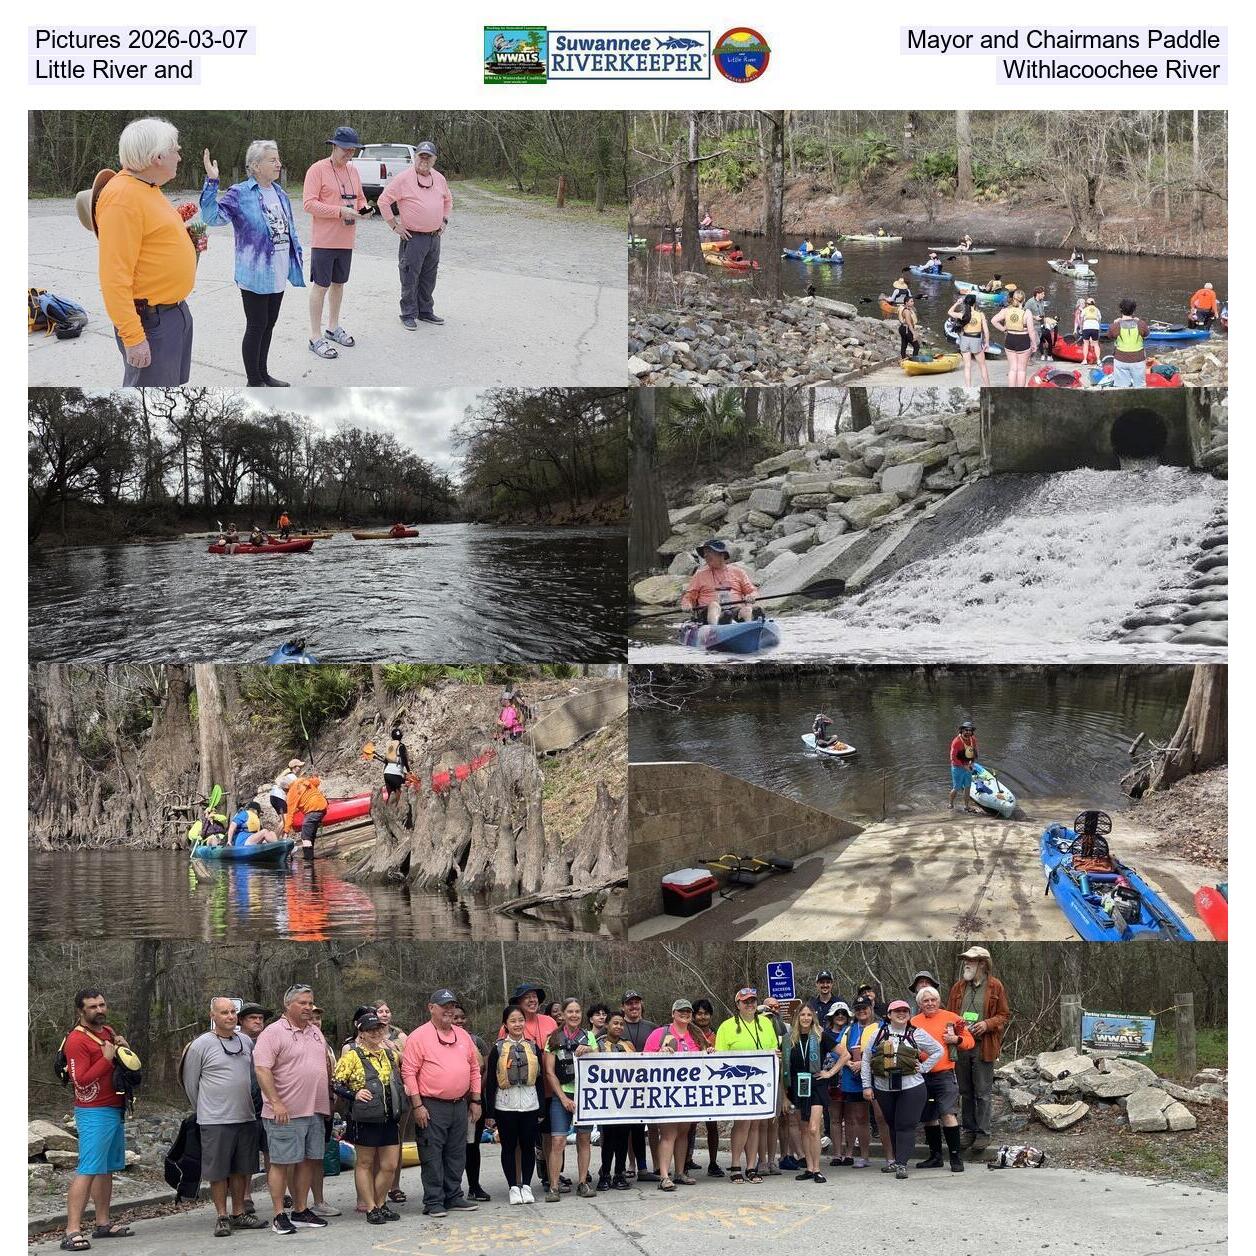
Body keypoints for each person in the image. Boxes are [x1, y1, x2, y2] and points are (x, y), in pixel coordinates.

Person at [89, 117, 196, 386]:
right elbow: (114, 278)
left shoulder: (148, 187)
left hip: (173, 313)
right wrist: (134, 337)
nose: (179, 156)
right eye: (176, 149)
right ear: (157, 156)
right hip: (150, 322)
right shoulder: (123, 198)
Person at [200, 141, 304, 386]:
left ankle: (263, 374)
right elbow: (211, 217)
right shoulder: (240, 193)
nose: (278, 164)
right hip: (255, 274)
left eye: (278, 159)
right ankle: (254, 382)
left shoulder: (280, 193)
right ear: (255, 166)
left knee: (269, 325)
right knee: (257, 326)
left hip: (278, 272)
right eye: (272, 160)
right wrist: (212, 182)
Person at [251, 984, 332, 1235]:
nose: (308, 1008)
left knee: (309, 1161)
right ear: (288, 1005)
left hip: (314, 1110)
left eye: (311, 1003)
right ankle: (278, 1214)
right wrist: (275, 1102)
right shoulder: (273, 1033)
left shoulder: (316, 1033)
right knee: (281, 1163)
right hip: (284, 1112)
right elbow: (262, 1069)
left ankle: (300, 1210)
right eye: (303, 1003)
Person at [182, 998, 266, 1237]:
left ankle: (239, 1213)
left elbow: (253, 1076)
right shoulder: (200, 1045)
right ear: (213, 1016)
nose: (229, 1016)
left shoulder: (246, 1042)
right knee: (218, 1171)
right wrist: (204, 1109)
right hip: (215, 1119)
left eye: (232, 1012)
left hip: (245, 1115)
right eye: (224, 1012)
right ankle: (222, 1215)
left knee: (241, 1168)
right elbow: (190, 1083)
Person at [60, 990, 135, 1251]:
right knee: (89, 1168)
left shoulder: (107, 1032)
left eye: (102, 1004)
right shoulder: (76, 1040)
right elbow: (79, 1079)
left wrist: (122, 1049)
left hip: (114, 1107)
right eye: (92, 1006)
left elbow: (120, 1064)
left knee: (105, 1168)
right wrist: (106, 1059)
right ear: (81, 1011)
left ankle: (103, 1223)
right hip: (93, 1111)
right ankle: (72, 1231)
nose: (99, 1010)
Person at [400, 989, 483, 1217]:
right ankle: (434, 1201)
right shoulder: (418, 1036)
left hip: (460, 1104)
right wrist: (417, 1105)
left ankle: (454, 1195)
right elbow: (408, 1072)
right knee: (432, 1154)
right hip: (431, 1103)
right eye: (444, 1005)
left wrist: (475, 1099)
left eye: (452, 1005)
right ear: (431, 1008)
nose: (449, 1010)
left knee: (457, 1153)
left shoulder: (463, 1035)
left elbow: (474, 1068)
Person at [334, 1010, 406, 1224]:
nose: (375, 1033)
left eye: (379, 1029)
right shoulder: (352, 1056)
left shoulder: (390, 1055)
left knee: (390, 1164)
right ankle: (370, 1206)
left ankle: (381, 1202)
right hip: (365, 1118)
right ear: (361, 1033)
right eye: (370, 1030)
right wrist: (354, 1094)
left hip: (388, 1117)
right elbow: (336, 1083)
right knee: (365, 1162)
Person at [302, 126, 367, 361]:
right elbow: (308, 204)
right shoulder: (317, 169)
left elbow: (359, 198)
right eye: (346, 149)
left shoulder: (353, 171)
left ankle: (333, 326)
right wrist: (339, 211)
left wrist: (363, 209)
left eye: (353, 150)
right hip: (324, 240)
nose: (349, 154)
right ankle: (315, 335)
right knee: (321, 286)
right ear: (334, 146)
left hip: (346, 240)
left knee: (339, 284)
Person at [861, 1001, 943, 1179]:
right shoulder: (878, 1034)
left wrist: (923, 1067)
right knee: (893, 1124)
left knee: (905, 1125)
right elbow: (866, 1060)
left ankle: (902, 1164)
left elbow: (938, 1050)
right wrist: (867, 1085)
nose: (901, 1013)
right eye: (897, 1011)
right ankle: (898, 1160)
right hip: (884, 1087)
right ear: (889, 1014)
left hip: (911, 1086)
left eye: (905, 1011)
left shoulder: (916, 1034)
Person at [380, 141, 452, 330]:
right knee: (410, 276)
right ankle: (408, 313)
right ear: (415, 157)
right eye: (421, 156)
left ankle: (425, 311)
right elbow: (383, 201)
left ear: (434, 160)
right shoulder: (403, 179)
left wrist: (444, 221)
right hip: (413, 238)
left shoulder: (440, 179)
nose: (424, 160)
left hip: (434, 237)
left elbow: (448, 200)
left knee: (429, 276)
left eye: (429, 157)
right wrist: (394, 225)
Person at [948, 947, 1011, 1153]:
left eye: (971, 961)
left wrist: (987, 1024)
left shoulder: (995, 986)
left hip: (984, 1046)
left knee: (982, 1093)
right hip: (962, 1045)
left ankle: (983, 1133)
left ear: (982, 964)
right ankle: (969, 1131)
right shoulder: (958, 987)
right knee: (965, 1091)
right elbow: (949, 1016)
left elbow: (1003, 1015)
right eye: (965, 960)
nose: (966, 964)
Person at [714, 987, 779, 1183]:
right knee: (742, 1123)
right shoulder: (726, 1026)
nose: (750, 1004)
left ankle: (751, 1166)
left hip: (760, 1083)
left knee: (756, 1124)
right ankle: (735, 1165)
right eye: (745, 1001)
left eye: (752, 1001)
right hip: (737, 1083)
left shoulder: (766, 1024)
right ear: (738, 1005)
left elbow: (772, 1048)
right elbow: (720, 1055)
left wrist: (775, 1055)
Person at [485, 1005, 547, 1204]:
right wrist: (490, 1112)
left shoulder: (533, 1046)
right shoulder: (497, 1049)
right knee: (509, 1147)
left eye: (521, 1020)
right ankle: (513, 1186)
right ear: (505, 1024)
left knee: (528, 1146)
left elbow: (539, 1079)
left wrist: (541, 1108)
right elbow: (492, 1082)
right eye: (513, 1021)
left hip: (530, 1104)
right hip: (505, 1105)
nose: (517, 1024)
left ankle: (527, 1186)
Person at [643, 1000, 706, 1191]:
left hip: (689, 1092)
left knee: (683, 1132)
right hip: (666, 1092)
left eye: (688, 1011)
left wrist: (709, 1051)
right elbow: (644, 1059)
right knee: (669, 1133)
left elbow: (705, 1058)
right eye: (681, 1011)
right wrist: (660, 1052)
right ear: (673, 1013)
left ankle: (680, 1172)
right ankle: (664, 1175)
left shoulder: (696, 1034)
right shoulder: (659, 1034)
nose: (685, 1014)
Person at [911, 986, 974, 1173]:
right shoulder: (913, 1021)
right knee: (929, 1117)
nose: (930, 1003)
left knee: (948, 1113)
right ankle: (935, 1156)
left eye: (933, 1000)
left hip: (944, 1074)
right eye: (925, 1001)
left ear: (939, 1001)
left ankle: (955, 1157)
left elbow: (969, 1042)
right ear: (919, 1004)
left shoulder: (952, 1018)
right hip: (921, 1074)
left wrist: (956, 1040)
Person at [542, 998, 597, 1202]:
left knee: (584, 1139)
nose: (574, 1015)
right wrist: (563, 1097)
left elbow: (601, 1061)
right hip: (561, 1096)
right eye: (570, 1011)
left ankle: (582, 1182)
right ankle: (554, 1186)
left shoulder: (588, 1036)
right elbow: (549, 1072)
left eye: (577, 1011)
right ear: (563, 1015)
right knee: (558, 1141)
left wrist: (590, 1050)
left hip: (585, 1097)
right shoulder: (553, 1038)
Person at [783, 1003, 838, 1183]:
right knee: (804, 1129)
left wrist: (829, 1073)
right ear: (797, 1018)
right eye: (802, 1015)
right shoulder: (789, 1039)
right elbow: (784, 1065)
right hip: (798, 1087)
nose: (805, 1018)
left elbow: (844, 1055)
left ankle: (817, 1169)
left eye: (809, 1015)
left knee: (814, 1129)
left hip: (816, 1085)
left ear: (812, 1018)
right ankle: (808, 1167)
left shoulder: (821, 1036)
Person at [450, 1003, 491, 1203]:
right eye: (454, 1017)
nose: (458, 1021)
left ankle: (474, 1186)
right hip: (450, 1102)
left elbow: (486, 1070)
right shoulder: (441, 1040)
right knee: (452, 1147)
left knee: (472, 1146)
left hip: (474, 1101)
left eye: (461, 1017)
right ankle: (451, 1189)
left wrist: (475, 1093)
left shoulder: (477, 1041)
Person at [618, 991, 661, 1181]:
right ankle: (632, 1164)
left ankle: (653, 1166)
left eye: (636, 1003)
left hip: (649, 1084)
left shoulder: (652, 1027)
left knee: (650, 1127)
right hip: (623, 1085)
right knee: (629, 1127)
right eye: (629, 1004)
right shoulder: (616, 1026)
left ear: (641, 1004)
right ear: (623, 1007)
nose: (633, 1007)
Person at [235, 1002, 270, 1220]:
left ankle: (279, 1191)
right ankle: (246, 1196)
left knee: (272, 1152)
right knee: (246, 1154)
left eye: (260, 1018)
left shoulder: (268, 1041)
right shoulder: (235, 1042)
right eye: (252, 1018)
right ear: (241, 1021)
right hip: (244, 1103)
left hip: (267, 1102)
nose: (257, 1021)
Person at [830, 996, 875, 1167]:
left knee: (876, 1118)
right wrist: (848, 1063)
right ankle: (862, 1157)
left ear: (870, 1008)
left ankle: (888, 1156)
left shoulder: (879, 1027)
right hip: (852, 1079)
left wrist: (863, 1063)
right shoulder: (849, 1029)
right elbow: (835, 1050)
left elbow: (882, 1049)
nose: (861, 1011)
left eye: (865, 1008)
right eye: (858, 1009)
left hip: (874, 1077)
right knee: (858, 1118)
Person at [594, 1013, 635, 1190]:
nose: (618, 1026)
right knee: (608, 1139)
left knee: (623, 1138)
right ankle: (605, 1175)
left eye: (621, 1024)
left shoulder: (628, 1045)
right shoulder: (598, 1044)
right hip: (607, 1099)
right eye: (615, 1023)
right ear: (607, 1025)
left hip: (626, 1099)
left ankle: (619, 1174)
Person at [680, 539, 758, 626]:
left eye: (709, 552)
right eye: (704, 553)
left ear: (722, 554)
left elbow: (752, 591)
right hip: (708, 613)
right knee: (714, 605)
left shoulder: (738, 572)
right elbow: (689, 596)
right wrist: (686, 604)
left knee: (746, 610)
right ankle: (718, 626)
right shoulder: (699, 575)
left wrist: (751, 596)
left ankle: (750, 626)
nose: (705, 555)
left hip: (734, 610)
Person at [684, 1000, 722, 1176]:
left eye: (705, 1013)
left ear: (710, 1015)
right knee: (689, 1126)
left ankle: (713, 1163)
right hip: (692, 1085)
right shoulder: (687, 1034)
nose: (702, 1016)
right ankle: (686, 1160)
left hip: (712, 1085)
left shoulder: (717, 1035)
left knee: (712, 1125)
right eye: (699, 1013)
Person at [822, 1001, 855, 1166]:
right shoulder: (823, 1033)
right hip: (831, 1080)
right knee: (834, 1119)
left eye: (843, 1013)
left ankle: (849, 1153)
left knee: (849, 1118)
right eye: (837, 1013)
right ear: (831, 1016)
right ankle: (836, 1154)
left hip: (850, 1079)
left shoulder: (852, 1032)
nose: (840, 1016)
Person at [991, 290, 1037, 387]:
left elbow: (993, 321)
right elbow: (1031, 331)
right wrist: (1034, 344)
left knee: (1012, 369)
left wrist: (1003, 328)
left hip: (1010, 339)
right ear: (1024, 300)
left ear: (1013, 299)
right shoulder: (1027, 312)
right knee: (1021, 370)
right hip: (1023, 340)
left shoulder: (1006, 310)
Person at [947, 294, 991, 387]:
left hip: (965, 340)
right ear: (975, 303)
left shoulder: (962, 314)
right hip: (976, 340)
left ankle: (968, 387)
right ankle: (987, 386)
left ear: (965, 303)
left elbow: (950, 312)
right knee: (982, 366)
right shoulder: (980, 315)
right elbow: (986, 331)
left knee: (967, 366)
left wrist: (957, 303)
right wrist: (987, 343)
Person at [1110, 298, 1151, 388]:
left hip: (1120, 359)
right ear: (1134, 310)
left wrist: (1115, 323)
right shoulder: (1141, 324)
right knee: (1140, 386)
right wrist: (1139, 321)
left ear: (1121, 310)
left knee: (1121, 387)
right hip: (1138, 360)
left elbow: (1110, 336)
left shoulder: (1115, 325)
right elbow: (1147, 334)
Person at [285, 772, 328, 855]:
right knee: (311, 834)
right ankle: (311, 856)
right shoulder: (303, 780)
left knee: (305, 837)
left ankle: (308, 862)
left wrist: (286, 831)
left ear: (286, 788)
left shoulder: (291, 794)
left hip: (313, 810)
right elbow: (317, 782)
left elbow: (289, 815)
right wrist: (315, 777)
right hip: (323, 807)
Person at [948, 719, 981, 814]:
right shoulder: (956, 742)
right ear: (962, 730)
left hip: (968, 765)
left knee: (967, 787)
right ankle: (950, 804)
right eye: (966, 730)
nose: (968, 732)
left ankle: (966, 806)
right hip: (957, 767)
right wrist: (963, 766)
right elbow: (952, 757)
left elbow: (975, 750)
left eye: (970, 730)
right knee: (957, 787)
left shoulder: (973, 739)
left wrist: (972, 762)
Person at [269, 759, 303, 830]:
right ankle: (275, 838)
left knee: (284, 820)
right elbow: (299, 790)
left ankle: (283, 838)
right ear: (294, 767)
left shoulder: (288, 775)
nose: (300, 768)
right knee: (285, 821)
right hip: (279, 797)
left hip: (274, 796)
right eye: (299, 766)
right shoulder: (292, 776)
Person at [1025, 287, 1054, 359]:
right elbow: (1024, 313)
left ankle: (1029, 358)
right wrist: (1035, 317)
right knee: (1036, 341)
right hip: (1033, 325)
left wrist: (1045, 322)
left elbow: (1042, 312)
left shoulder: (1041, 301)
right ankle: (1027, 358)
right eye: (1043, 294)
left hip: (1040, 325)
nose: (1044, 295)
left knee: (1035, 343)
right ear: (1037, 294)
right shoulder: (1030, 302)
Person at [382, 727, 409, 796]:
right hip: (395, 773)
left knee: (391, 796)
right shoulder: (401, 746)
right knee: (401, 795)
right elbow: (404, 759)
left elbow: (386, 761)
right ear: (401, 737)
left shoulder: (389, 746)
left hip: (386, 773)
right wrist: (409, 771)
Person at [1079, 296, 1103, 365]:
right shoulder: (1097, 310)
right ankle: (1098, 360)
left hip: (1086, 326)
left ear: (1087, 304)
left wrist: (1081, 329)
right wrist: (1099, 329)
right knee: (1096, 344)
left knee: (1086, 343)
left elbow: (1081, 320)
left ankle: (1085, 360)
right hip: (1095, 327)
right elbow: (1099, 320)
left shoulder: (1085, 309)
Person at [897, 296, 921, 360]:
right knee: (916, 346)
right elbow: (909, 323)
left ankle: (903, 359)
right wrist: (914, 333)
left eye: (913, 301)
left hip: (902, 328)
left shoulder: (906, 309)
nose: (913, 302)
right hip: (906, 329)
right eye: (911, 301)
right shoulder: (907, 311)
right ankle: (914, 361)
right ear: (906, 303)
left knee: (904, 345)